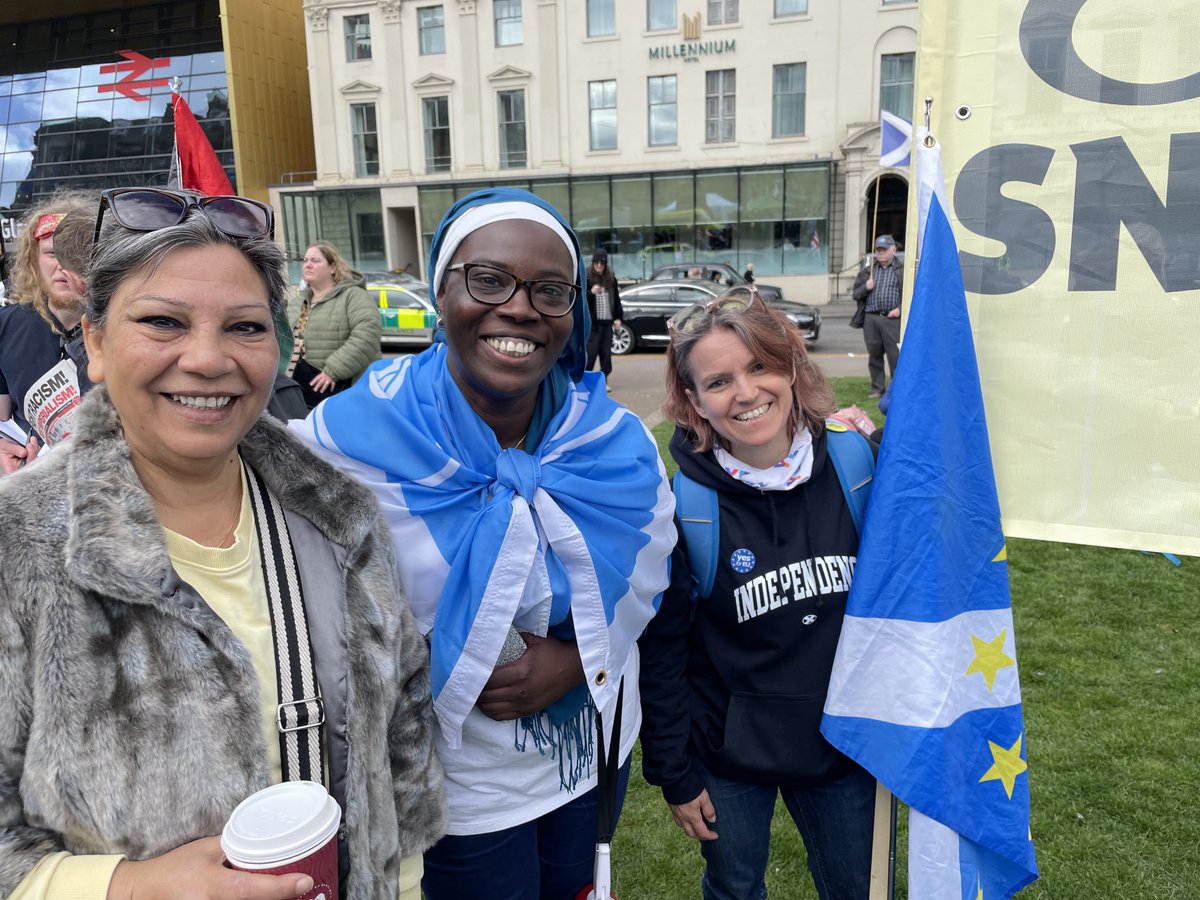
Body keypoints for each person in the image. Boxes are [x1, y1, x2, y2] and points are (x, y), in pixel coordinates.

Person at [0, 188, 447, 900]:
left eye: (243, 327)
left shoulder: (341, 518)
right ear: (93, 342)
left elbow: (401, 740)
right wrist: (130, 887)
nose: (208, 360)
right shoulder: (17, 548)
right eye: (162, 322)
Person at [291, 187, 676, 900]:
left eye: (550, 290)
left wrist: (575, 660)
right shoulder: (345, 444)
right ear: (442, 292)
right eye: (488, 279)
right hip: (454, 785)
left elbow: (649, 571)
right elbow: (301, 605)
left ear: (573, 311)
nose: (520, 307)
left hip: (587, 753)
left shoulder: (615, 445)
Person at [639, 286, 876, 900]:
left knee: (856, 889)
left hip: (845, 748)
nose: (745, 393)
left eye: (759, 366)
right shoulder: (682, 505)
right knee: (735, 889)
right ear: (693, 401)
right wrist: (674, 773)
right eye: (718, 382)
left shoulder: (860, 465)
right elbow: (662, 653)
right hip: (728, 758)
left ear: (792, 367)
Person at [0, 193, 93, 468]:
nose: (64, 265)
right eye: (53, 253)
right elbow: (3, 416)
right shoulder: (6, 325)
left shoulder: (122, 325)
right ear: (33, 261)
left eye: (76, 253)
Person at [286, 241, 380, 409]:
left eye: (315, 260)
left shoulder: (353, 295)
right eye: (305, 260)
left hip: (342, 392)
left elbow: (367, 335)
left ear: (333, 268)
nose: (307, 265)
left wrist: (333, 370)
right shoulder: (298, 302)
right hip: (302, 394)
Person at [851, 234, 903, 398]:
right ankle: (877, 388)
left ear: (893, 250)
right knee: (874, 355)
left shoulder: (902, 271)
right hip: (871, 319)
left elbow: (913, 293)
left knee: (895, 356)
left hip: (892, 318)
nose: (880, 254)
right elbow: (855, 294)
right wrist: (866, 287)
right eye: (878, 250)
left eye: (884, 250)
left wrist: (900, 309)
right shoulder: (868, 272)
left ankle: (896, 388)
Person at [585, 247, 623, 389]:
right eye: (597, 262)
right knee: (591, 353)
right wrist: (591, 292)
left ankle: (604, 381)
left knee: (606, 353)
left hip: (607, 323)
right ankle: (586, 381)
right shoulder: (587, 277)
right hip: (593, 324)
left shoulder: (610, 278)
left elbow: (616, 299)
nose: (599, 265)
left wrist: (618, 318)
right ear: (593, 262)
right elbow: (580, 300)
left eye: (602, 262)